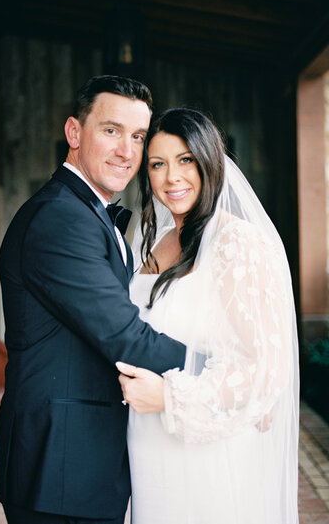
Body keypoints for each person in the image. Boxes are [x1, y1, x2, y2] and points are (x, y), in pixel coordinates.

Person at [0, 76, 187, 524]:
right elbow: (124, 335)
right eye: (111, 130)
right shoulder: (61, 218)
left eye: (138, 136)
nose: (127, 151)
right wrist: (217, 371)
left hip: (76, 463)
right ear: (75, 133)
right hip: (60, 466)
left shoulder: (86, 213)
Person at [117, 108, 299, 523]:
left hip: (204, 452)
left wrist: (167, 397)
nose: (171, 178)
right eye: (157, 164)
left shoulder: (237, 244)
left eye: (186, 161)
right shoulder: (163, 240)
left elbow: (265, 369)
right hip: (148, 443)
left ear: (210, 161)